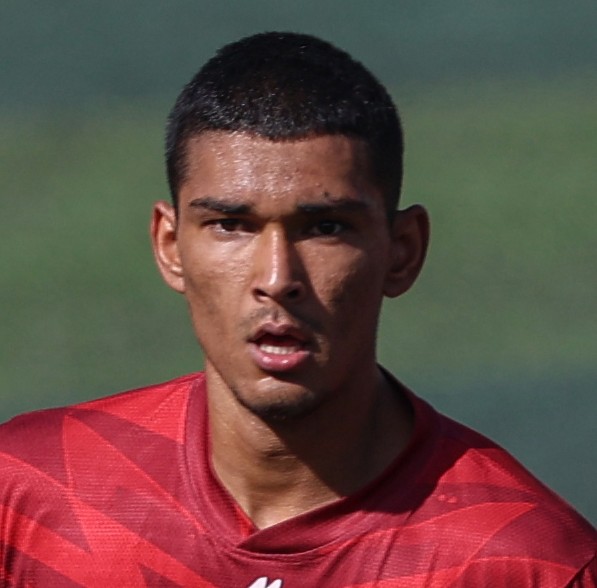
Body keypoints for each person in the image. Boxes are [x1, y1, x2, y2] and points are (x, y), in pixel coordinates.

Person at [0, 31, 595, 587]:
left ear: (402, 251)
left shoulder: (528, 565)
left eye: (326, 227)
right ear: (170, 246)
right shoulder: (26, 494)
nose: (277, 279)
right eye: (231, 225)